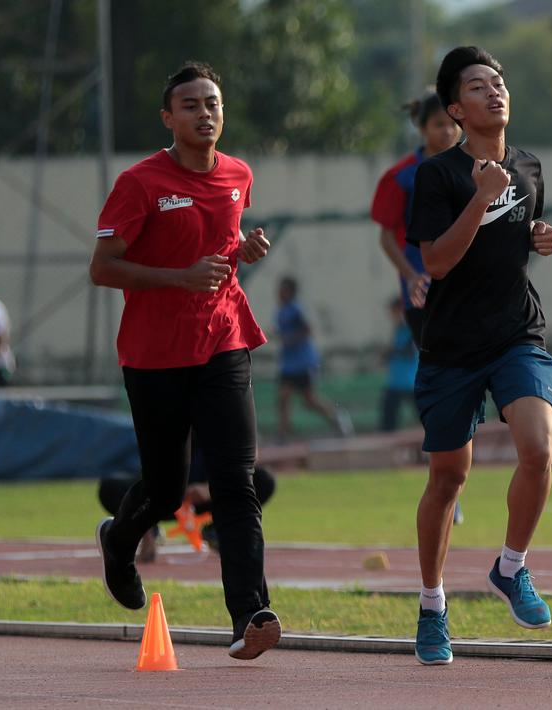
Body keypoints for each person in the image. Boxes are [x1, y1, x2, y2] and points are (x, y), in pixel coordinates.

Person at [88, 61, 281, 660]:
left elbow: (219, 249)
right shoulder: (140, 183)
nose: (206, 113)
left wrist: (242, 250)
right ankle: (118, 543)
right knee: (168, 490)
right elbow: (103, 268)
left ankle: (250, 615)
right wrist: (180, 276)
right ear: (168, 117)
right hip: (154, 355)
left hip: (224, 339)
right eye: (192, 105)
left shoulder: (238, 175)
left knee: (235, 480)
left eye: (214, 103)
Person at [407, 46, 552, 666]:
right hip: (451, 348)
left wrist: (538, 238)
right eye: (477, 86)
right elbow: (437, 262)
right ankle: (432, 605)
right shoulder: (439, 175)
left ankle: (511, 566)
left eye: (498, 82)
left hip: (517, 333)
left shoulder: (528, 166)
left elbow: (518, 238)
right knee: (449, 478)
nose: (493, 92)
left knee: (539, 449)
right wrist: (481, 196)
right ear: (455, 108)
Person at [371, 92, 462, 344]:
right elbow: (386, 237)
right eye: (439, 124)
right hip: (423, 291)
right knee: (440, 367)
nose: (447, 131)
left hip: (465, 288)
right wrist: (411, 276)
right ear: (422, 128)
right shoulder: (402, 176)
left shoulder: (472, 170)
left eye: (453, 124)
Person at [97, 447, 277, 563]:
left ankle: (220, 529)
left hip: (210, 493)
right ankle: (146, 527)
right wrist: (144, 530)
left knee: (263, 480)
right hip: (164, 494)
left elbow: (247, 454)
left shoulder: (224, 400)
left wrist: (210, 488)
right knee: (110, 487)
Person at [275, 276, 353, 440]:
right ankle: (283, 433)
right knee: (283, 396)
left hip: (303, 362)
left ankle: (337, 417)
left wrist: (291, 338)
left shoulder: (297, 309)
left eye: (282, 289)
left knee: (309, 401)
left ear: (289, 291)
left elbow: (308, 329)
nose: (278, 292)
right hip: (288, 364)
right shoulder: (280, 310)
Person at [381, 296, 419, 432]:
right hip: (396, 382)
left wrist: (391, 351)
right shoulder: (397, 330)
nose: (391, 315)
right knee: (388, 423)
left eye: (394, 311)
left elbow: (409, 351)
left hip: (411, 382)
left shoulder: (411, 327)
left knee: (426, 421)